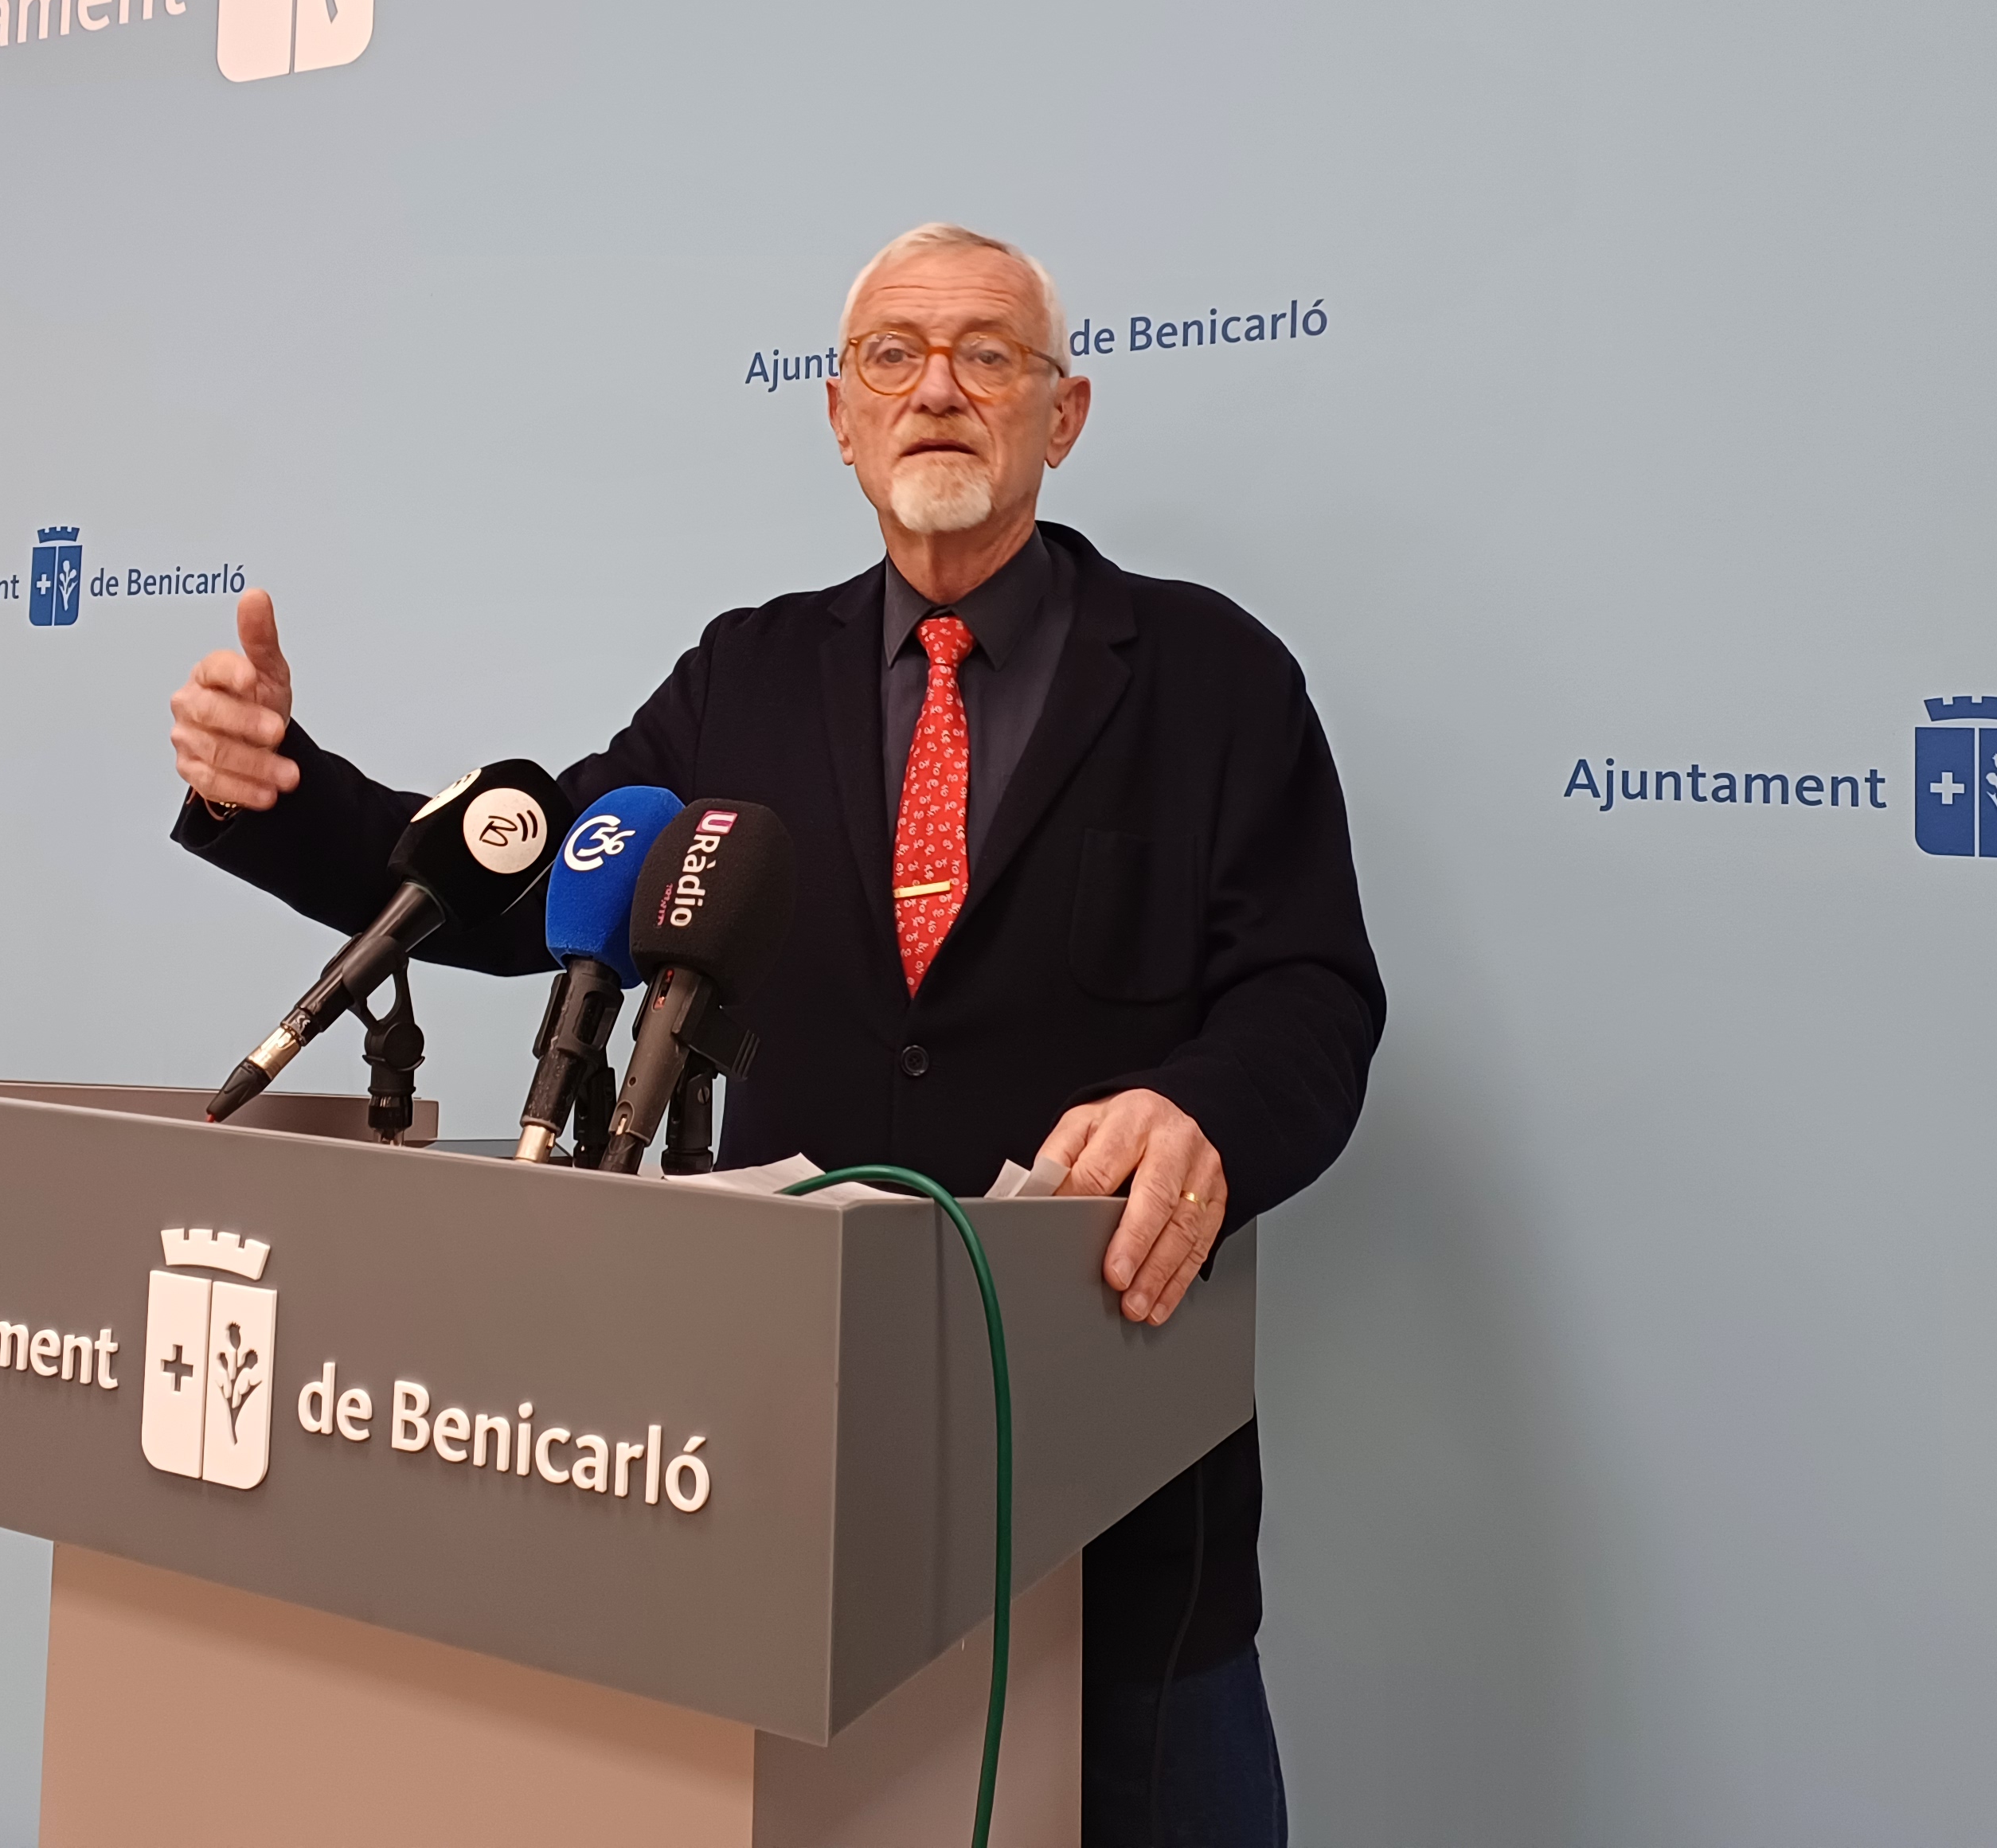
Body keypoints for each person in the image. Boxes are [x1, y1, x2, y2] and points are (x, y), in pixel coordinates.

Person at [166, 222, 1381, 1847]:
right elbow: (543, 887)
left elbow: (1311, 998)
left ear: (1065, 413)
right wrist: (290, 794)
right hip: (792, 1493)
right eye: (892, 355)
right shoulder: (746, 673)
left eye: (986, 355)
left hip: (1116, 1518)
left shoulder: (1212, 677)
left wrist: (1200, 1115)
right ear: (838, 415)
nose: (935, 389)